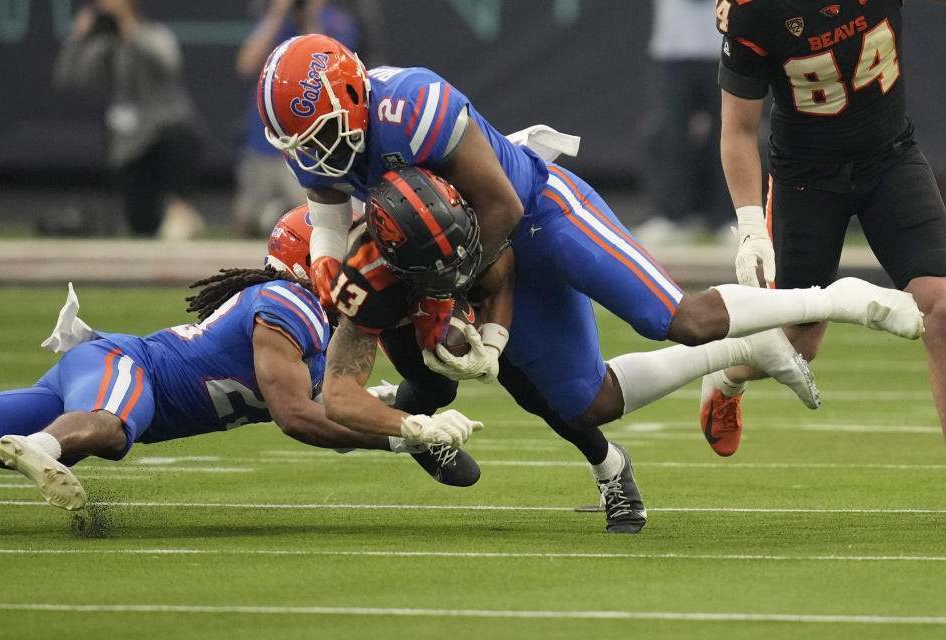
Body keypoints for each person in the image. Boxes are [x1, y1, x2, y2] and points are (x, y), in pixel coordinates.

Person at [256, 35, 924, 532]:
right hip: (466, 247)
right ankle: (742, 353)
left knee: (676, 317)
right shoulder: (325, 150)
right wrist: (330, 272)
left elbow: (501, 210)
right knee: (588, 402)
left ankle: (834, 298)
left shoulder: (413, 104)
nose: (315, 155)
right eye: (301, 145)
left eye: (318, 135)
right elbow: (328, 219)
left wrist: (458, 305)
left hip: (541, 214)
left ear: (350, 98)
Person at [0, 269, 481, 512]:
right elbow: (296, 417)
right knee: (110, 431)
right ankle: (42, 446)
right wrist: (407, 431)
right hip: (124, 366)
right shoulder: (292, 303)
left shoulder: (310, 345)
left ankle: (46, 442)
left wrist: (401, 416)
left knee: (70, 430)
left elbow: (333, 419)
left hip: (108, 382)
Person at [701, 0, 946, 455]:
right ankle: (726, 374)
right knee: (799, 342)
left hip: (891, 157)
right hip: (806, 180)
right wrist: (751, 225)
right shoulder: (754, 11)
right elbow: (736, 129)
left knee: (943, 305)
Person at [53, 0, 206, 240]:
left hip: (167, 127)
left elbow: (169, 62)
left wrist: (128, 28)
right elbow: (68, 78)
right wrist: (77, 38)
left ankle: (181, 207)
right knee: (142, 226)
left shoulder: (155, 34)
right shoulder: (103, 46)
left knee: (181, 135)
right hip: (131, 141)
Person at [233, 0, 364, 238]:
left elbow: (335, 72)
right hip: (265, 141)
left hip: (311, 145)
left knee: (313, 217)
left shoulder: (335, 22)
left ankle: (278, 215)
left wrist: (310, 18)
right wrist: (277, 13)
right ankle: (272, 215)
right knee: (246, 223)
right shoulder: (274, 22)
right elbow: (246, 64)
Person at [633, 0, 732, 247]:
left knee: (731, 132)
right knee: (668, 133)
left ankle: (730, 216)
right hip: (672, 48)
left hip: (726, 45)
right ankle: (672, 216)